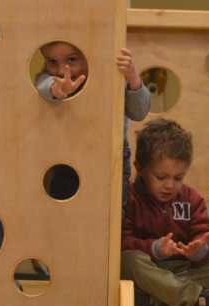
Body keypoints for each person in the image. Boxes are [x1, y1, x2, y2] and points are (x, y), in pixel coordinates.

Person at [121, 119, 209, 306]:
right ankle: (195, 299)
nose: (170, 185)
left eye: (178, 178)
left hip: (180, 268)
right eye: (161, 177)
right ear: (140, 168)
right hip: (147, 269)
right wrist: (154, 248)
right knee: (127, 261)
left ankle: (155, 300)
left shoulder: (191, 198)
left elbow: (207, 234)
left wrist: (199, 249)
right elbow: (123, 242)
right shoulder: (129, 197)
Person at [34, 42, 151, 204]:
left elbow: (139, 113)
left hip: (111, 153)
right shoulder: (48, 78)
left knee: (112, 209)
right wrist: (56, 88)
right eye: (52, 61)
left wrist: (133, 80)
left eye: (72, 60)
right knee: (64, 207)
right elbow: (43, 84)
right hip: (66, 154)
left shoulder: (111, 73)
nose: (61, 71)